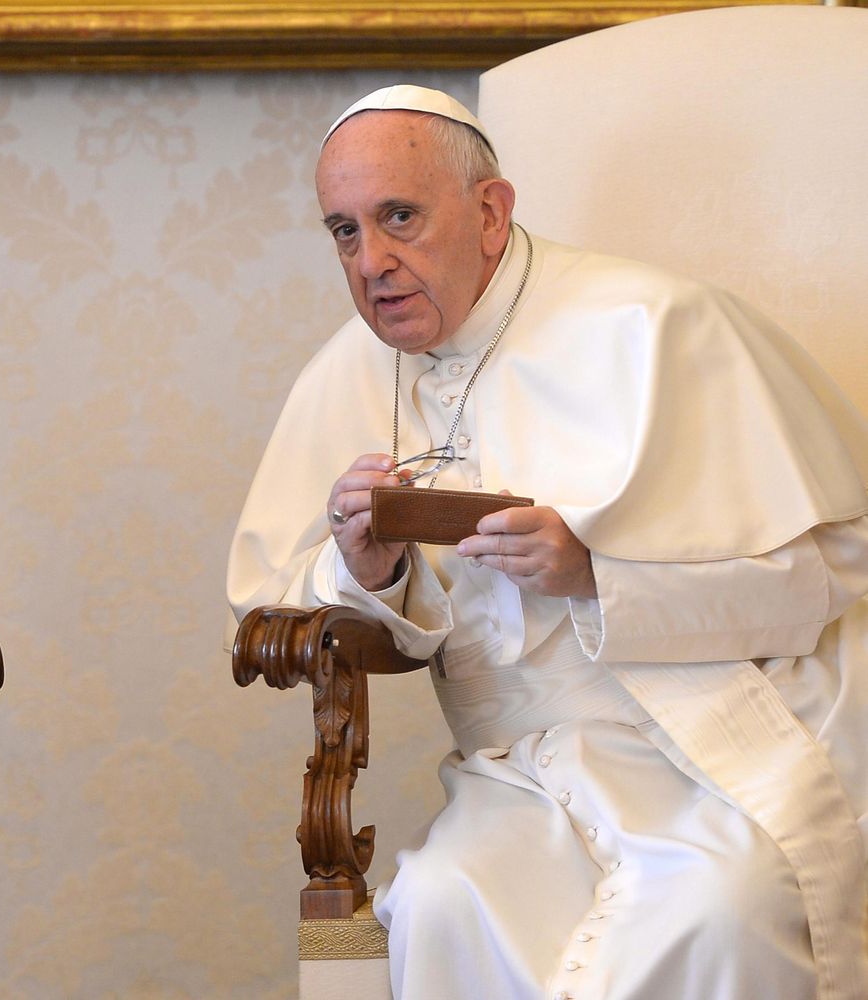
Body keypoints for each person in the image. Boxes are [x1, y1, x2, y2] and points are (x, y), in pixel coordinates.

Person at [228, 85, 868, 1000]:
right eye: (343, 230)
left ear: (491, 213)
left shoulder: (657, 325)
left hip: (700, 738)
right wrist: (363, 569)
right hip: (513, 771)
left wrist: (598, 577)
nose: (372, 261)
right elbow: (273, 610)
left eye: (399, 217)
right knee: (442, 903)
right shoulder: (343, 374)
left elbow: (836, 565)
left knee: (714, 911)